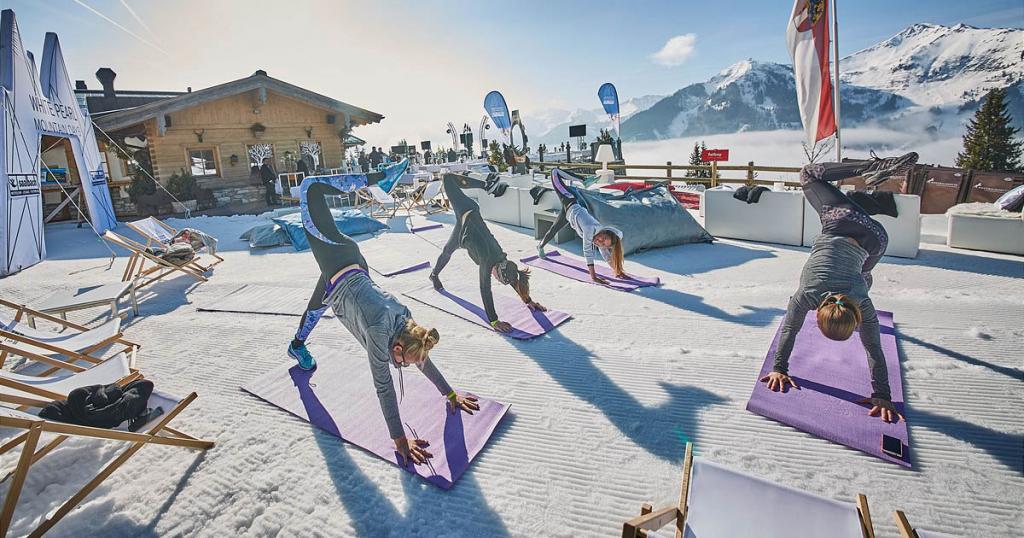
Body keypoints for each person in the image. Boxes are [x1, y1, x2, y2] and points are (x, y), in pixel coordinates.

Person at [288, 170, 479, 465]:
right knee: (309, 188)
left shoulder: (408, 322)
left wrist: (449, 394)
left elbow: (422, 359)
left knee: (314, 311)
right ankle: (375, 180)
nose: (409, 365)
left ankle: (297, 345)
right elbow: (384, 388)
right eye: (407, 361)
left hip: (347, 271)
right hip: (338, 260)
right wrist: (400, 440)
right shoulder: (380, 334)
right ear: (398, 349)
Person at [760, 152, 918, 424]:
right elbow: (790, 328)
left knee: (862, 275)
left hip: (876, 239)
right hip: (846, 223)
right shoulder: (806, 296)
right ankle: (872, 168)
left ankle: (873, 169)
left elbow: (874, 349)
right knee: (808, 173)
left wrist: (883, 395)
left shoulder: (862, 303)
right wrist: (779, 368)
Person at [429, 173, 545, 333]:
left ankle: (433, 275)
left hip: (464, 228)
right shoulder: (487, 260)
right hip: (466, 209)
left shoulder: (503, 261)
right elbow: (485, 289)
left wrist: (528, 301)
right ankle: (487, 185)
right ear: (497, 269)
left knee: (447, 251)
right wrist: (494, 321)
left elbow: (513, 278)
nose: (495, 279)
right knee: (448, 178)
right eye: (497, 278)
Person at [537, 168, 627, 284]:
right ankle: (583, 180)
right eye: (603, 239)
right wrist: (593, 276)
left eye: (603, 244)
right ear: (603, 231)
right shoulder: (590, 228)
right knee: (554, 172)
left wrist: (617, 270)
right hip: (570, 201)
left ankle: (540, 247)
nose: (600, 242)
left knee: (553, 230)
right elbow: (587, 251)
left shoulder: (599, 238)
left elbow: (606, 255)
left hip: (569, 215)